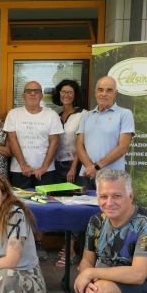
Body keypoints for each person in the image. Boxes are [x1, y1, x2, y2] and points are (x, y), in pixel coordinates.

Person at [4, 80, 62, 260]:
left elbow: (54, 142)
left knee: (42, 207)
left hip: (46, 170)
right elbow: (12, 140)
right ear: (23, 95)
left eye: (36, 91)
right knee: (18, 206)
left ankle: (38, 242)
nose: (32, 94)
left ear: (41, 95)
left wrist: (44, 166)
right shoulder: (14, 114)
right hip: (18, 170)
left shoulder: (51, 115)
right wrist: (23, 165)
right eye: (28, 91)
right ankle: (19, 242)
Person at [76, 76, 135, 190]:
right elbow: (79, 145)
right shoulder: (86, 116)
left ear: (115, 94)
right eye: (100, 90)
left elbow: (123, 147)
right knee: (86, 207)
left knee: (110, 207)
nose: (104, 94)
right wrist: (90, 168)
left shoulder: (124, 114)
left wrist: (96, 167)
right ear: (95, 92)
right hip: (87, 175)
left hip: (113, 177)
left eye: (109, 90)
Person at [52, 79, 87, 266]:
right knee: (63, 206)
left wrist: (74, 167)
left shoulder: (83, 115)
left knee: (74, 206)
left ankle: (71, 249)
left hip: (75, 166)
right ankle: (67, 244)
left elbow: (82, 144)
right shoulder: (55, 116)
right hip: (57, 166)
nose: (65, 95)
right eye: (63, 92)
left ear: (75, 95)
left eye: (69, 92)